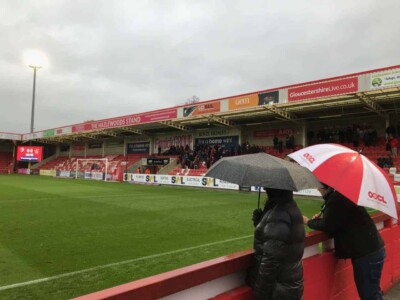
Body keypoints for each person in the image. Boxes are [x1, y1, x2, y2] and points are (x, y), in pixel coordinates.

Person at [303, 184, 385, 300]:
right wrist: (323, 218)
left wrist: (308, 222)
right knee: (371, 292)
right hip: (370, 249)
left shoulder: (337, 200)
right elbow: (336, 220)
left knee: (369, 294)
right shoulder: (339, 197)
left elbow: (328, 226)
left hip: (366, 252)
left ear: (322, 188)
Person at [246, 188, 305, 300]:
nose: (264, 190)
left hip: (279, 289)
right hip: (290, 284)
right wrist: (261, 221)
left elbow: (271, 260)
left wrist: (260, 292)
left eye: (266, 188)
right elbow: (275, 238)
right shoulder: (291, 207)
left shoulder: (279, 214)